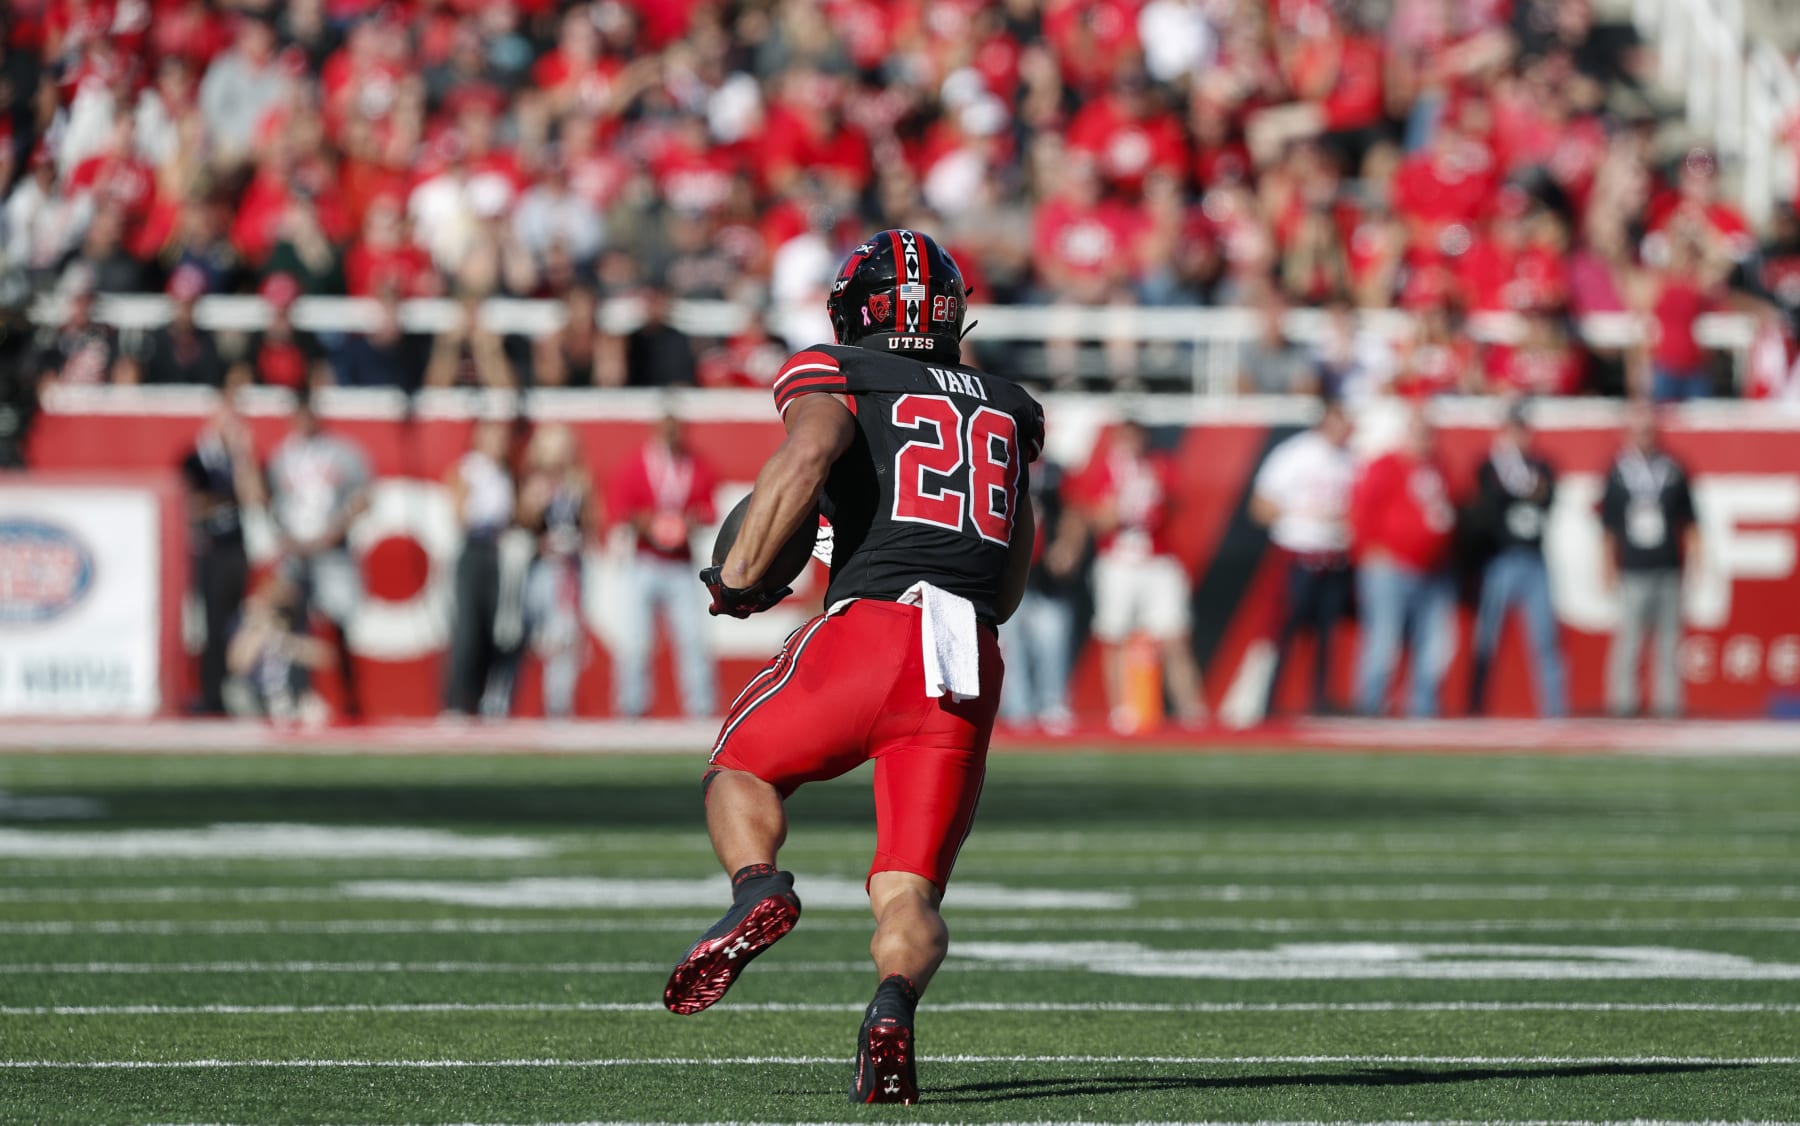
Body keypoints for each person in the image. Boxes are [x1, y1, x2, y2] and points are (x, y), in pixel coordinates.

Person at [661, 230, 1044, 1107]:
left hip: (872, 625)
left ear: (853, 310)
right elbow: (1013, 575)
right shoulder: (1011, 407)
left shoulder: (838, 371)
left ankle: (759, 887)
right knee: (909, 885)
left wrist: (738, 578)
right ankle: (892, 1005)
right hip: (968, 656)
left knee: (740, 768)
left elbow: (804, 459)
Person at [1071, 419, 1206, 731]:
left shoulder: (1159, 466)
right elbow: (1099, 520)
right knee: (1114, 634)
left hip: (1156, 559)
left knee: (1175, 635)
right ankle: (1122, 711)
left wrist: (1149, 487)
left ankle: (1192, 712)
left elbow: (1170, 506)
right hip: (1118, 561)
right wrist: (1121, 495)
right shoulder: (1104, 470)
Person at [266, 386, 372, 719]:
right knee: (291, 624)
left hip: (332, 550)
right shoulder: (282, 456)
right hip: (297, 552)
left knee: (339, 623)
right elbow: (273, 505)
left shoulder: (343, 452)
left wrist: (332, 533)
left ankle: (349, 696)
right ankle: (299, 694)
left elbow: (362, 499)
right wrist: (287, 539)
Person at [606, 414, 720, 718]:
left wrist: (689, 522)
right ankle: (631, 705)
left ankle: (701, 707)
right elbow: (621, 508)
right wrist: (646, 523)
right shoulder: (637, 465)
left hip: (681, 564)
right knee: (635, 637)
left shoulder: (696, 465)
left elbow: (709, 510)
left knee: (692, 636)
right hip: (644, 560)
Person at [1349, 407, 1458, 717]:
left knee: (1434, 645)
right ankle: (1371, 705)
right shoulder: (1385, 465)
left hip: (1433, 569)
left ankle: (1423, 708)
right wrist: (1370, 551)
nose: (1425, 439)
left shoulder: (1437, 467)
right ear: (1405, 434)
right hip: (1390, 567)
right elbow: (1361, 510)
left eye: (1428, 433)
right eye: (1418, 432)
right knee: (1384, 639)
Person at [1250, 398, 1355, 717]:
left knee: (1328, 635)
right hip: (1298, 556)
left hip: (1335, 557)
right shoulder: (1295, 455)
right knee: (1284, 632)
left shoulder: (1350, 458)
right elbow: (1260, 508)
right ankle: (1269, 703)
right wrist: (1303, 514)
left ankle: (1321, 702)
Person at [1469, 402, 1568, 717]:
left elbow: (1547, 495)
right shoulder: (1491, 465)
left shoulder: (1541, 465)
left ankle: (1554, 712)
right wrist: (1521, 489)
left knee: (1545, 640)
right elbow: (1490, 503)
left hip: (1534, 559)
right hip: (1500, 559)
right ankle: (1476, 707)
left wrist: (1521, 489)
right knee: (1487, 639)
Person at [1600, 400, 1698, 717]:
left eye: (1648, 431)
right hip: (1633, 568)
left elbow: (1690, 521)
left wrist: (1696, 566)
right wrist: (1606, 567)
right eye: (1638, 432)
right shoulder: (1617, 474)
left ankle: (1668, 709)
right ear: (1628, 434)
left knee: (1669, 645)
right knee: (1628, 643)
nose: (1644, 438)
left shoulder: (1672, 470)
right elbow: (1608, 528)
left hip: (1668, 566)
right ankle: (1623, 706)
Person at [180, 381, 266, 715]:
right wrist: (221, 501)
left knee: (235, 622)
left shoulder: (238, 459)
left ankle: (232, 691)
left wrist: (243, 456)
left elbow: (254, 497)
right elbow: (192, 504)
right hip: (209, 548)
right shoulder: (197, 458)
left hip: (236, 547)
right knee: (212, 622)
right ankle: (211, 694)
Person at [998, 461, 1084, 732]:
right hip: (1011, 568)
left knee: (1052, 641)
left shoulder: (1054, 471)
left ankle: (1053, 704)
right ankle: (1017, 708)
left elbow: (1074, 510)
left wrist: (1069, 546)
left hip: (1046, 573)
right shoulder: (1000, 459)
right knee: (1012, 644)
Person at [518, 424, 596, 720]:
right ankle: (506, 700)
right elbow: (524, 521)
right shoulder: (533, 482)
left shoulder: (578, 483)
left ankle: (558, 704)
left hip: (568, 570)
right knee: (532, 637)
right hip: (541, 569)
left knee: (565, 637)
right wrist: (538, 502)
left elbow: (590, 523)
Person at [443, 419, 516, 717]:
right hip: (473, 549)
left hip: (495, 552)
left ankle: (482, 698)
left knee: (492, 628)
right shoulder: (470, 468)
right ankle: (457, 701)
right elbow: (458, 512)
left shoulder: (503, 472)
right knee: (467, 629)